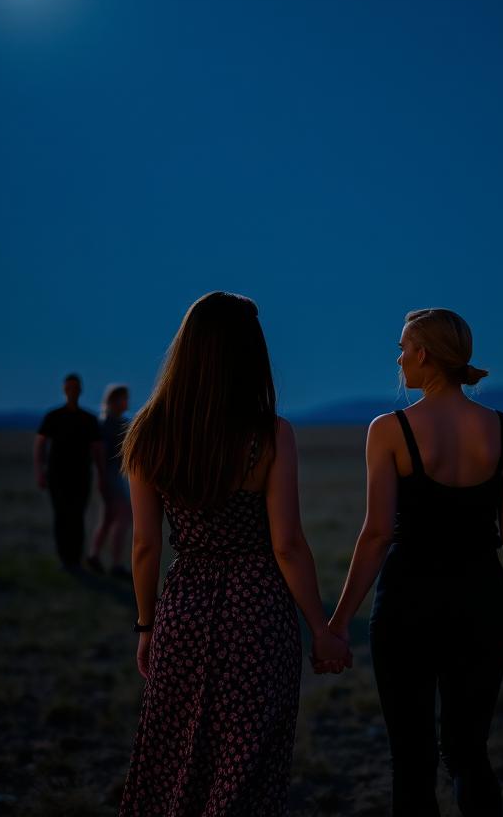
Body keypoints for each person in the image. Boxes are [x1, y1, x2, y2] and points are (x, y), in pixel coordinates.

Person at [118, 292, 351, 817]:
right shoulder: (268, 436)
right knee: (246, 767)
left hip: (184, 610)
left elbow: (145, 545)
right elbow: (287, 544)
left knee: (172, 760)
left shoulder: (149, 432)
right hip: (258, 614)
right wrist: (321, 628)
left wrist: (147, 626)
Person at [326, 308, 503, 817]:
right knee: (469, 752)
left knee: (412, 759)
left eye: (402, 348)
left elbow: (376, 533)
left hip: (408, 602)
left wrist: (337, 623)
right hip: (482, 599)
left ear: (423, 354)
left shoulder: (390, 430)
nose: (398, 359)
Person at [34, 374, 105, 572]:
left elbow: (97, 449)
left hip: (81, 475)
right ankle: (64, 558)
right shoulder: (53, 417)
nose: (72, 391)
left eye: (75, 387)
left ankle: (75, 558)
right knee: (61, 516)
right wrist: (40, 470)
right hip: (57, 475)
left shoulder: (89, 419)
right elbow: (40, 444)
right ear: (64, 390)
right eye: (69, 387)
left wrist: (101, 475)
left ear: (80, 390)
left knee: (77, 516)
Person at [86, 383, 133, 578]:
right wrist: (102, 478)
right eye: (123, 398)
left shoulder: (120, 422)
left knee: (109, 518)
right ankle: (115, 563)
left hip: (115, 475)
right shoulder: (106, 424)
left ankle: (95, 556)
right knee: (123, 516)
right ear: (113, 400)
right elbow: (100, 453)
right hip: (111, 475)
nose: (126, 402)